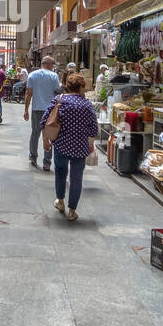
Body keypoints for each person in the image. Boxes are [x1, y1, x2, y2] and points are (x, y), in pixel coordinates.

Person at [46, 73, 99, 222]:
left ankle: (60, 201)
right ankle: (72, 210)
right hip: (79, 148)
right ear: (81, 87)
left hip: (61, 145)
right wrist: (90, 145)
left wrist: (46, 139)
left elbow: (45, 120)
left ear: (68, 87)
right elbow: (93, 129)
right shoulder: (87, 105)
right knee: (76, 178)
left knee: (60, 173)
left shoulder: (59, 100)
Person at [24, 55, 61, 170]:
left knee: (35, 133)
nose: (53, 67)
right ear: (49, 64)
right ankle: (47, 162)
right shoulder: (54, 76)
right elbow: (57, 92)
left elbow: (28, 94)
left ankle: (33, 156)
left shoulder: (32, 75)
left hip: (36, 109)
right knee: (49, 135)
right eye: (52, 65)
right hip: (50, 111)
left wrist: (26, 110)